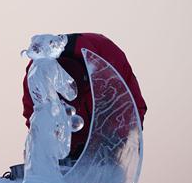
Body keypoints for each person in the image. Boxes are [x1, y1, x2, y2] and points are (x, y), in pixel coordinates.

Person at [21, 32, 147, 163]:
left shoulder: (109, 66)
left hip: (106, 143)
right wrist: (57, 150)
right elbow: (36, 120)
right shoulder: (38, 75)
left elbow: (132, 109)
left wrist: (113, 142)